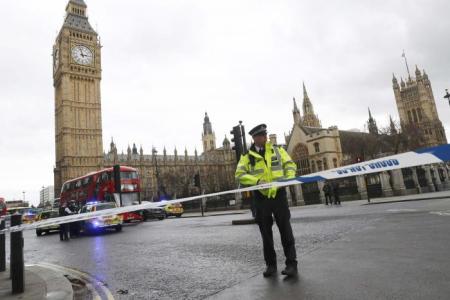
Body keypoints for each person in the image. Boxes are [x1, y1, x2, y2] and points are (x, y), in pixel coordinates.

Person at [235, 124, 298, 277]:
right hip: (261, 198)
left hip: (278, 195)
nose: (263, 138)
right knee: (266, 234)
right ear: (254, 138)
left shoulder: (277, 150)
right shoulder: (247, 156)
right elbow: (239, 174)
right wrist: (256, 181)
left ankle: (291, 264)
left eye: (264, 135)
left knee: (286, 230)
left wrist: (288, 179)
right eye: (260, 136)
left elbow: (290, 164)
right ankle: (271, 265)